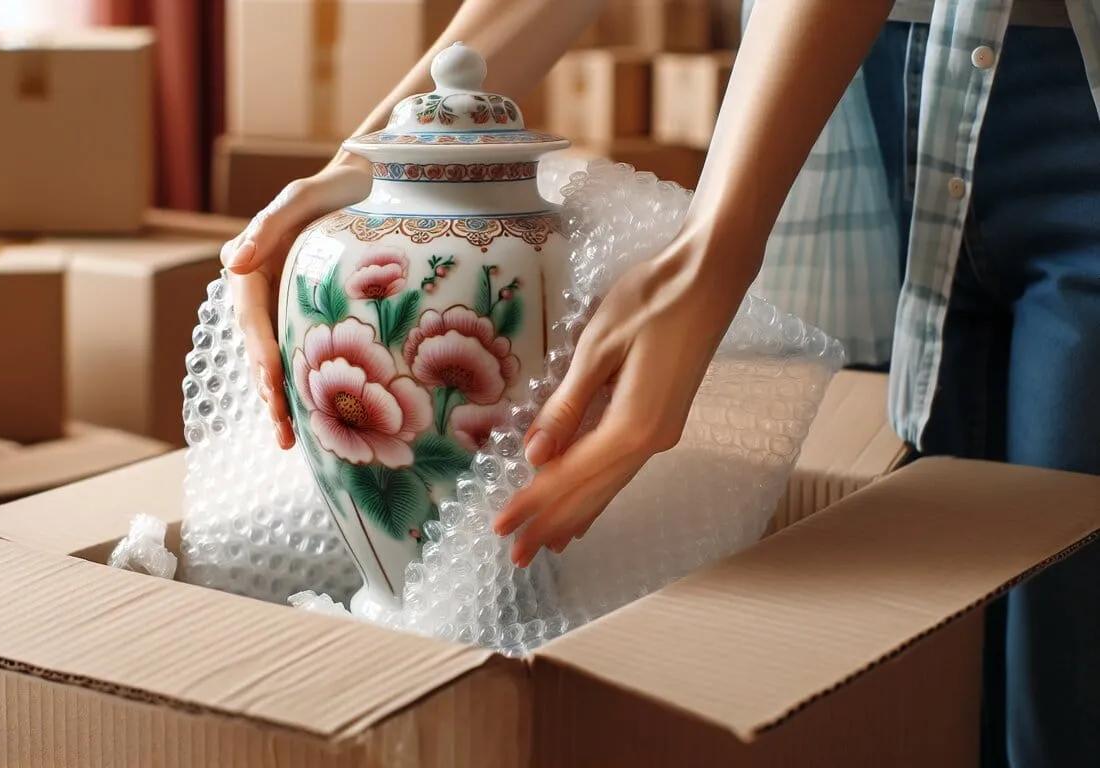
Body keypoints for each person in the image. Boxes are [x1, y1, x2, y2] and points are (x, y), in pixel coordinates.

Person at [222, 1, 1100, 764]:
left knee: (1064, 651)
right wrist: (365, 163)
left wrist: (713, 251)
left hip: (1067, 85)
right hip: (858, 100)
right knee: (930, 662)